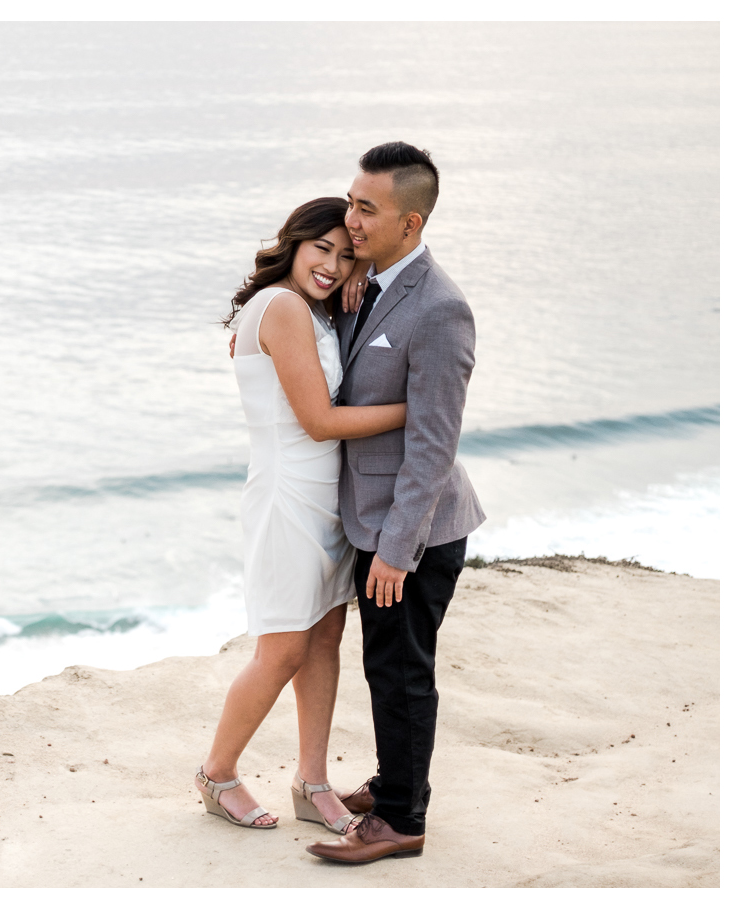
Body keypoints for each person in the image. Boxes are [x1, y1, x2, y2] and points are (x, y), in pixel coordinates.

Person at [196, 198, 407, 834]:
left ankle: (311, 783)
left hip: (325, 499)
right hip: (290, 497)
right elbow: (318, 423)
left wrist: (357, 284)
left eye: (347, 256)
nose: (333, 264)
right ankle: (218, 773)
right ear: (294, 242)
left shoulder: (309, 309)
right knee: (283, 648)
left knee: (322, 641)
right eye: (322, 249)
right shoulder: (284, 308)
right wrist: (414, 408)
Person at [304, 142, 486, 864]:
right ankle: (391, 782)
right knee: (387, 664)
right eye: (350, 201)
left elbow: (433, 442)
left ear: (409, 224)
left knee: (401, 671)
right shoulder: (369, 286)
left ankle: (402, 819)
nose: (350, 218)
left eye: (365, 209)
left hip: (415, 530)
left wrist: (396, 549)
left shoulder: (440, 310)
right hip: (374, 521)